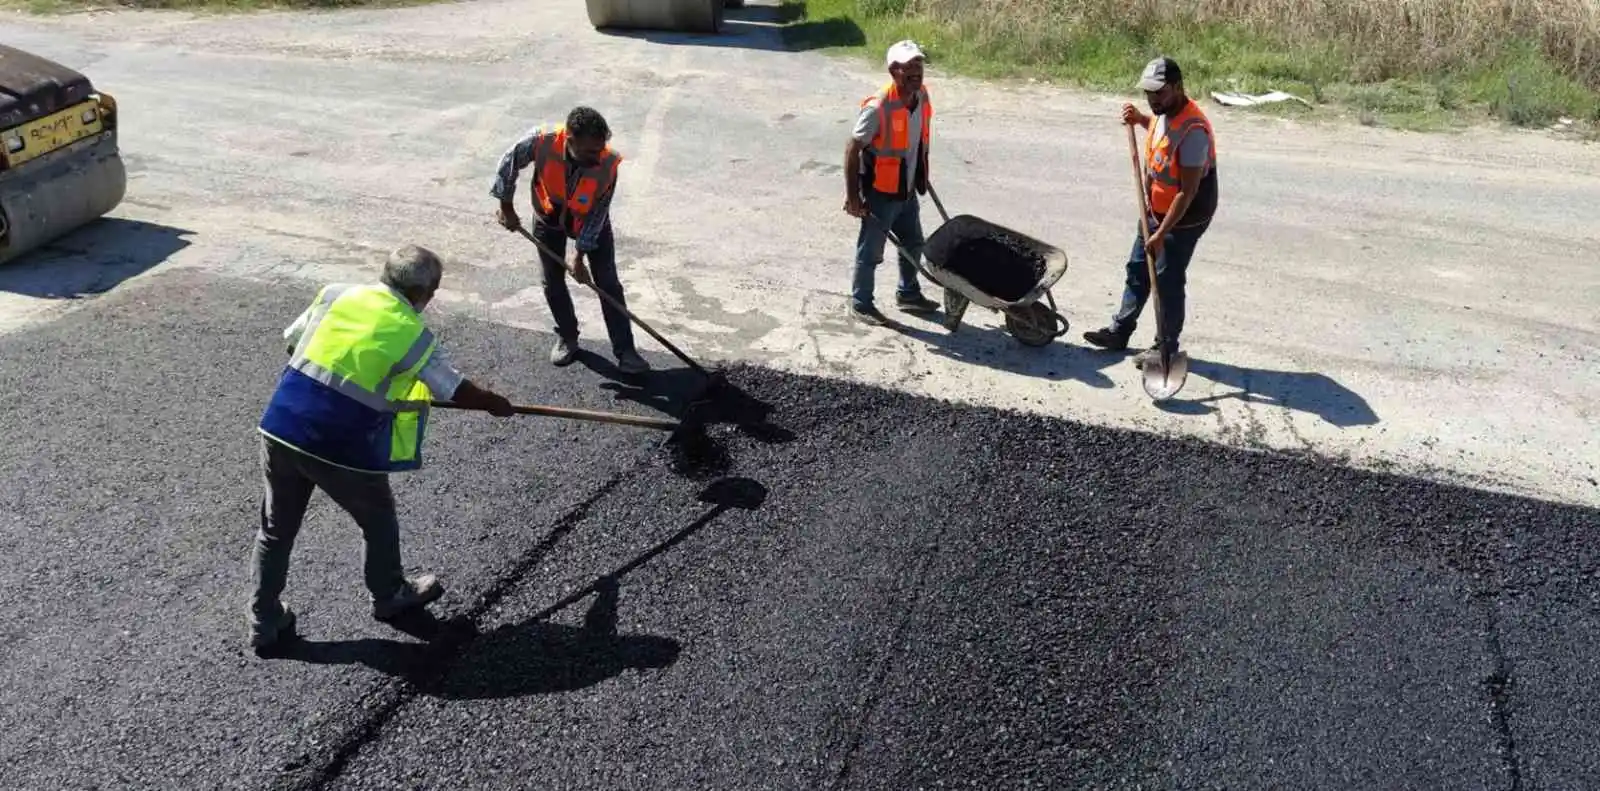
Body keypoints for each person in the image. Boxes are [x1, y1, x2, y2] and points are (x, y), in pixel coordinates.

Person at [249, 244, 518, 654]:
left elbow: (293, 342)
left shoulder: (337, 294)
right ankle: (390, 594)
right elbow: (452, 388)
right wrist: (494, 403)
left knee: (275, 530)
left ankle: (264, 620)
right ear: (421, 293)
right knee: (378, 519)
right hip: (337, 446)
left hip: (281, 426)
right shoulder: (410, 331)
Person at [491, 106, 651, 374]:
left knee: (608, 283)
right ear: (570, 140)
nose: (596, 157)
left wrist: (579, 257)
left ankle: (626, 352)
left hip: (590, 223)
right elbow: (508, 163)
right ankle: (568, 337)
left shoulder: (608, 165)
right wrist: (507, 207)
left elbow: (599, 213)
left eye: (599, 150)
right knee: (552, 281)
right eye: (590, 151)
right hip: (548, 218)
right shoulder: (541, 142)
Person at [1082, 56, 1219, 367]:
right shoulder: (1162, 111)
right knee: (1137, 269)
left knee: (1167, 280)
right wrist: (1140, 119)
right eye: (1148, 93)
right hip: (1155, 209)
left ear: (1178, 87)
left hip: (1183, 218)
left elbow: (1187, 193)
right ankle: (1120, 331)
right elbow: (1159, 132)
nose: (1152, 99)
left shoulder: (1194, 131)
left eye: (1159, 93)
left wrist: (1160, 234)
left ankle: (1165, 348)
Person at [843, 39, 943, 325]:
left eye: (919, 64)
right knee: (871, 250)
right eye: (908, 66)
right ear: (893, 71)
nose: (915, 71)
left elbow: (917, 139)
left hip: (907, 188)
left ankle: (908, 294)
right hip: (880, 193)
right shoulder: (878, 107)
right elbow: (852, 148)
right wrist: (853, 197)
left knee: (914, 243)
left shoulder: (921, 96)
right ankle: (862, 303)